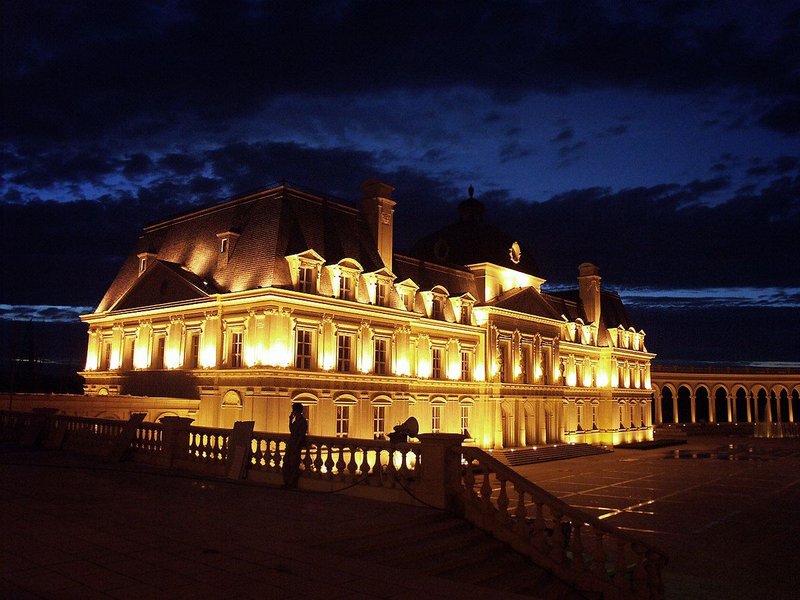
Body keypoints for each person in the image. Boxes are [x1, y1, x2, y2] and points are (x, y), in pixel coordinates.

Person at [282, 402, 308, 488]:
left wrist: (296, 446)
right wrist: (290, 420)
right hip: (291, 444)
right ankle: (288, 482)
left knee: (293, 464)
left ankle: (292, 483)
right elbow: (292, 430)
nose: (292, 411)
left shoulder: (302, 421)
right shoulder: (296, 420)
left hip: (295, 445)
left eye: (293, 410)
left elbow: (301, 435)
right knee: (287, 463)